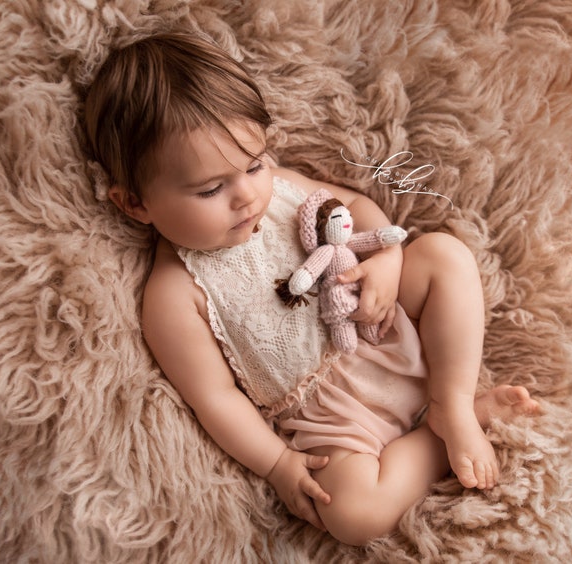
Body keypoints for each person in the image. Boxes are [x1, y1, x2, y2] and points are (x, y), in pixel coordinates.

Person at [84, 32, 540, 546]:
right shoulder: (173, 295)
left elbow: (357, 211)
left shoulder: (279, 188)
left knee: (443, 255)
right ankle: (441, 436)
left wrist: (387, 262)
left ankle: (453, 401)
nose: (246, 195)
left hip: (380, 324)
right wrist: (279, 463)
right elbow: (216, 400)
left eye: (254, 164)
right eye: (211, 189)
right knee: (353, 516)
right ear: (134, 204)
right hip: (334, 420)